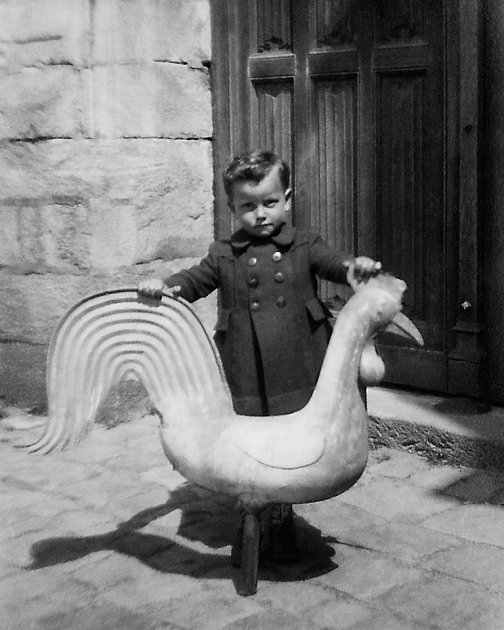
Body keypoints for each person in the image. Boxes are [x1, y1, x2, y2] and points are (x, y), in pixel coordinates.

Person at [138, 150, 381, 563]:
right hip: (247, 362)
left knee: (290, 443)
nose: (261, 214)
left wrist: (354, 266)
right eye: (248, 206)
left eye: (269, 202)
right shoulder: (223, 254)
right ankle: (257, 504)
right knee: (256, 440)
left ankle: (281, 513)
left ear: (287, 198)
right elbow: (194, 280)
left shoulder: (304, 244)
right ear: (232, 208)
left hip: (299, 355)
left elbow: (333, 263)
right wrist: (165, 285)